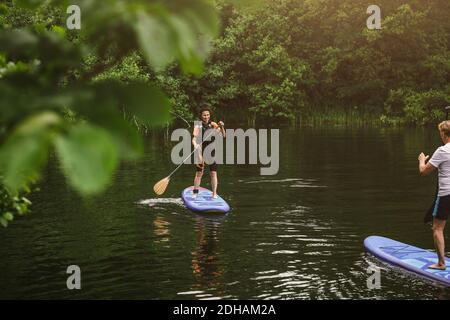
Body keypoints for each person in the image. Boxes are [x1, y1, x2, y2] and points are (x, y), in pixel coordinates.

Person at [418, 120, 450, 270]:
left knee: (437, 228)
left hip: (446, 195)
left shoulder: (442, 151)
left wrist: (422, 160)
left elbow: (423, 171)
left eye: (440, 133)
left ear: (443, 134)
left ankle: (441, 263)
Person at [192, 106, 225, 199]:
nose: (206, 117)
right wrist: (195, 145)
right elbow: (194, 139)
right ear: (201, 116)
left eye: (208, 115)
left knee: (213, 173)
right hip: (200, 152)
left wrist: (222, 126)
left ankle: (214, 193)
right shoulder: (197, 125)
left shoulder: (214, 124)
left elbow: (223, 135)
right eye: (204, 115)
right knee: (199, 174)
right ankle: (195, 192)